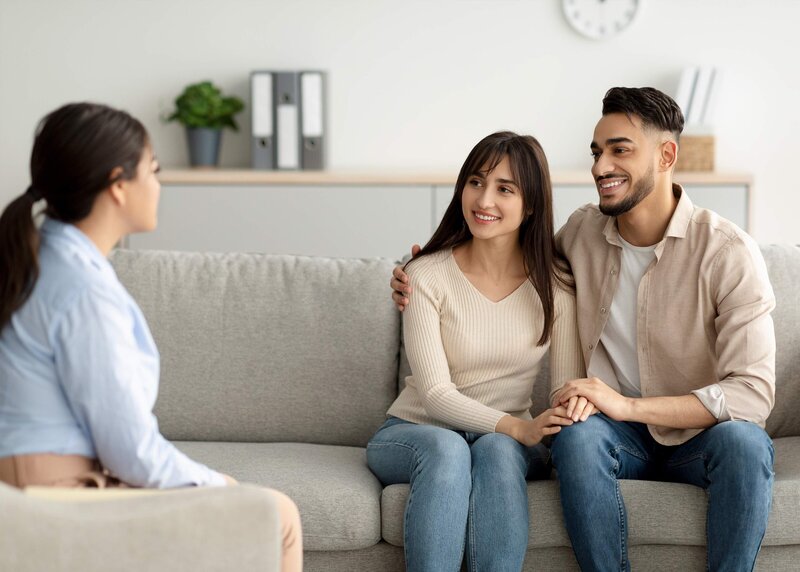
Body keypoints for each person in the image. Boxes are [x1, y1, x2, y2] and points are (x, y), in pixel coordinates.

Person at [392, 88, 775, 571]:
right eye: (597, 152)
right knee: (576, 437)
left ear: (666, 155)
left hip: (699, 439)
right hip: (615, 436)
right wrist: (414, 273)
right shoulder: (581, 234)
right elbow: (507, 259)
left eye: (620, 149)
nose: (599, 167)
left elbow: (753, 394)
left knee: (744, 442)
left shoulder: (727, 253)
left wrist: (628, 405)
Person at [0, 103, 302, 572]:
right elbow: (130, 451)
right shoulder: (82, 290)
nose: (159, 185)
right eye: (153, 171)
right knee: (274, 515)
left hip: (26, 488)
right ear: (119, 185)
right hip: (53, 500)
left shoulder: (40, 256)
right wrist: (218, 484)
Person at [369, 131, 585, 572]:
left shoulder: (556, 286)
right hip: (415, 430)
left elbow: (564, 389)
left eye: (505, 189)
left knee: (497, 450)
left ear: (530, 206)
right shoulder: (425, 275)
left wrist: (549, 421)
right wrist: (515, 427)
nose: (484, 199)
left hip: (506, 440)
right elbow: (434, 395)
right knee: (449, 449)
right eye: (476, 182)